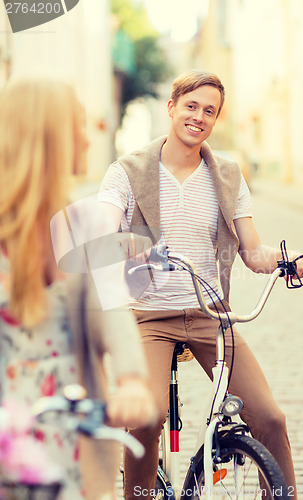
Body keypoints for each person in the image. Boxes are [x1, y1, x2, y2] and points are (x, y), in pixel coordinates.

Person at [98, 69, 303, 499]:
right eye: (191, 106)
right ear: (172, 107)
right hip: (149, 316)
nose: (199, 117)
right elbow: (106, 229)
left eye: (209, 111)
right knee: (146, 415)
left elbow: (251, 251)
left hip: (210, 314)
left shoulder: (229, 176)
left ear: (216, 119)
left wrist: (287, 261)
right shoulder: (127, 171)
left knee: (269, 417)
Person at [0, 76, 157, 500]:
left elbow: (112, 309)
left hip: (72, 440)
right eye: (79, 126)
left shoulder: (81, 225)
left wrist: (131, 380)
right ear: (49, 137)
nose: (89, 140)